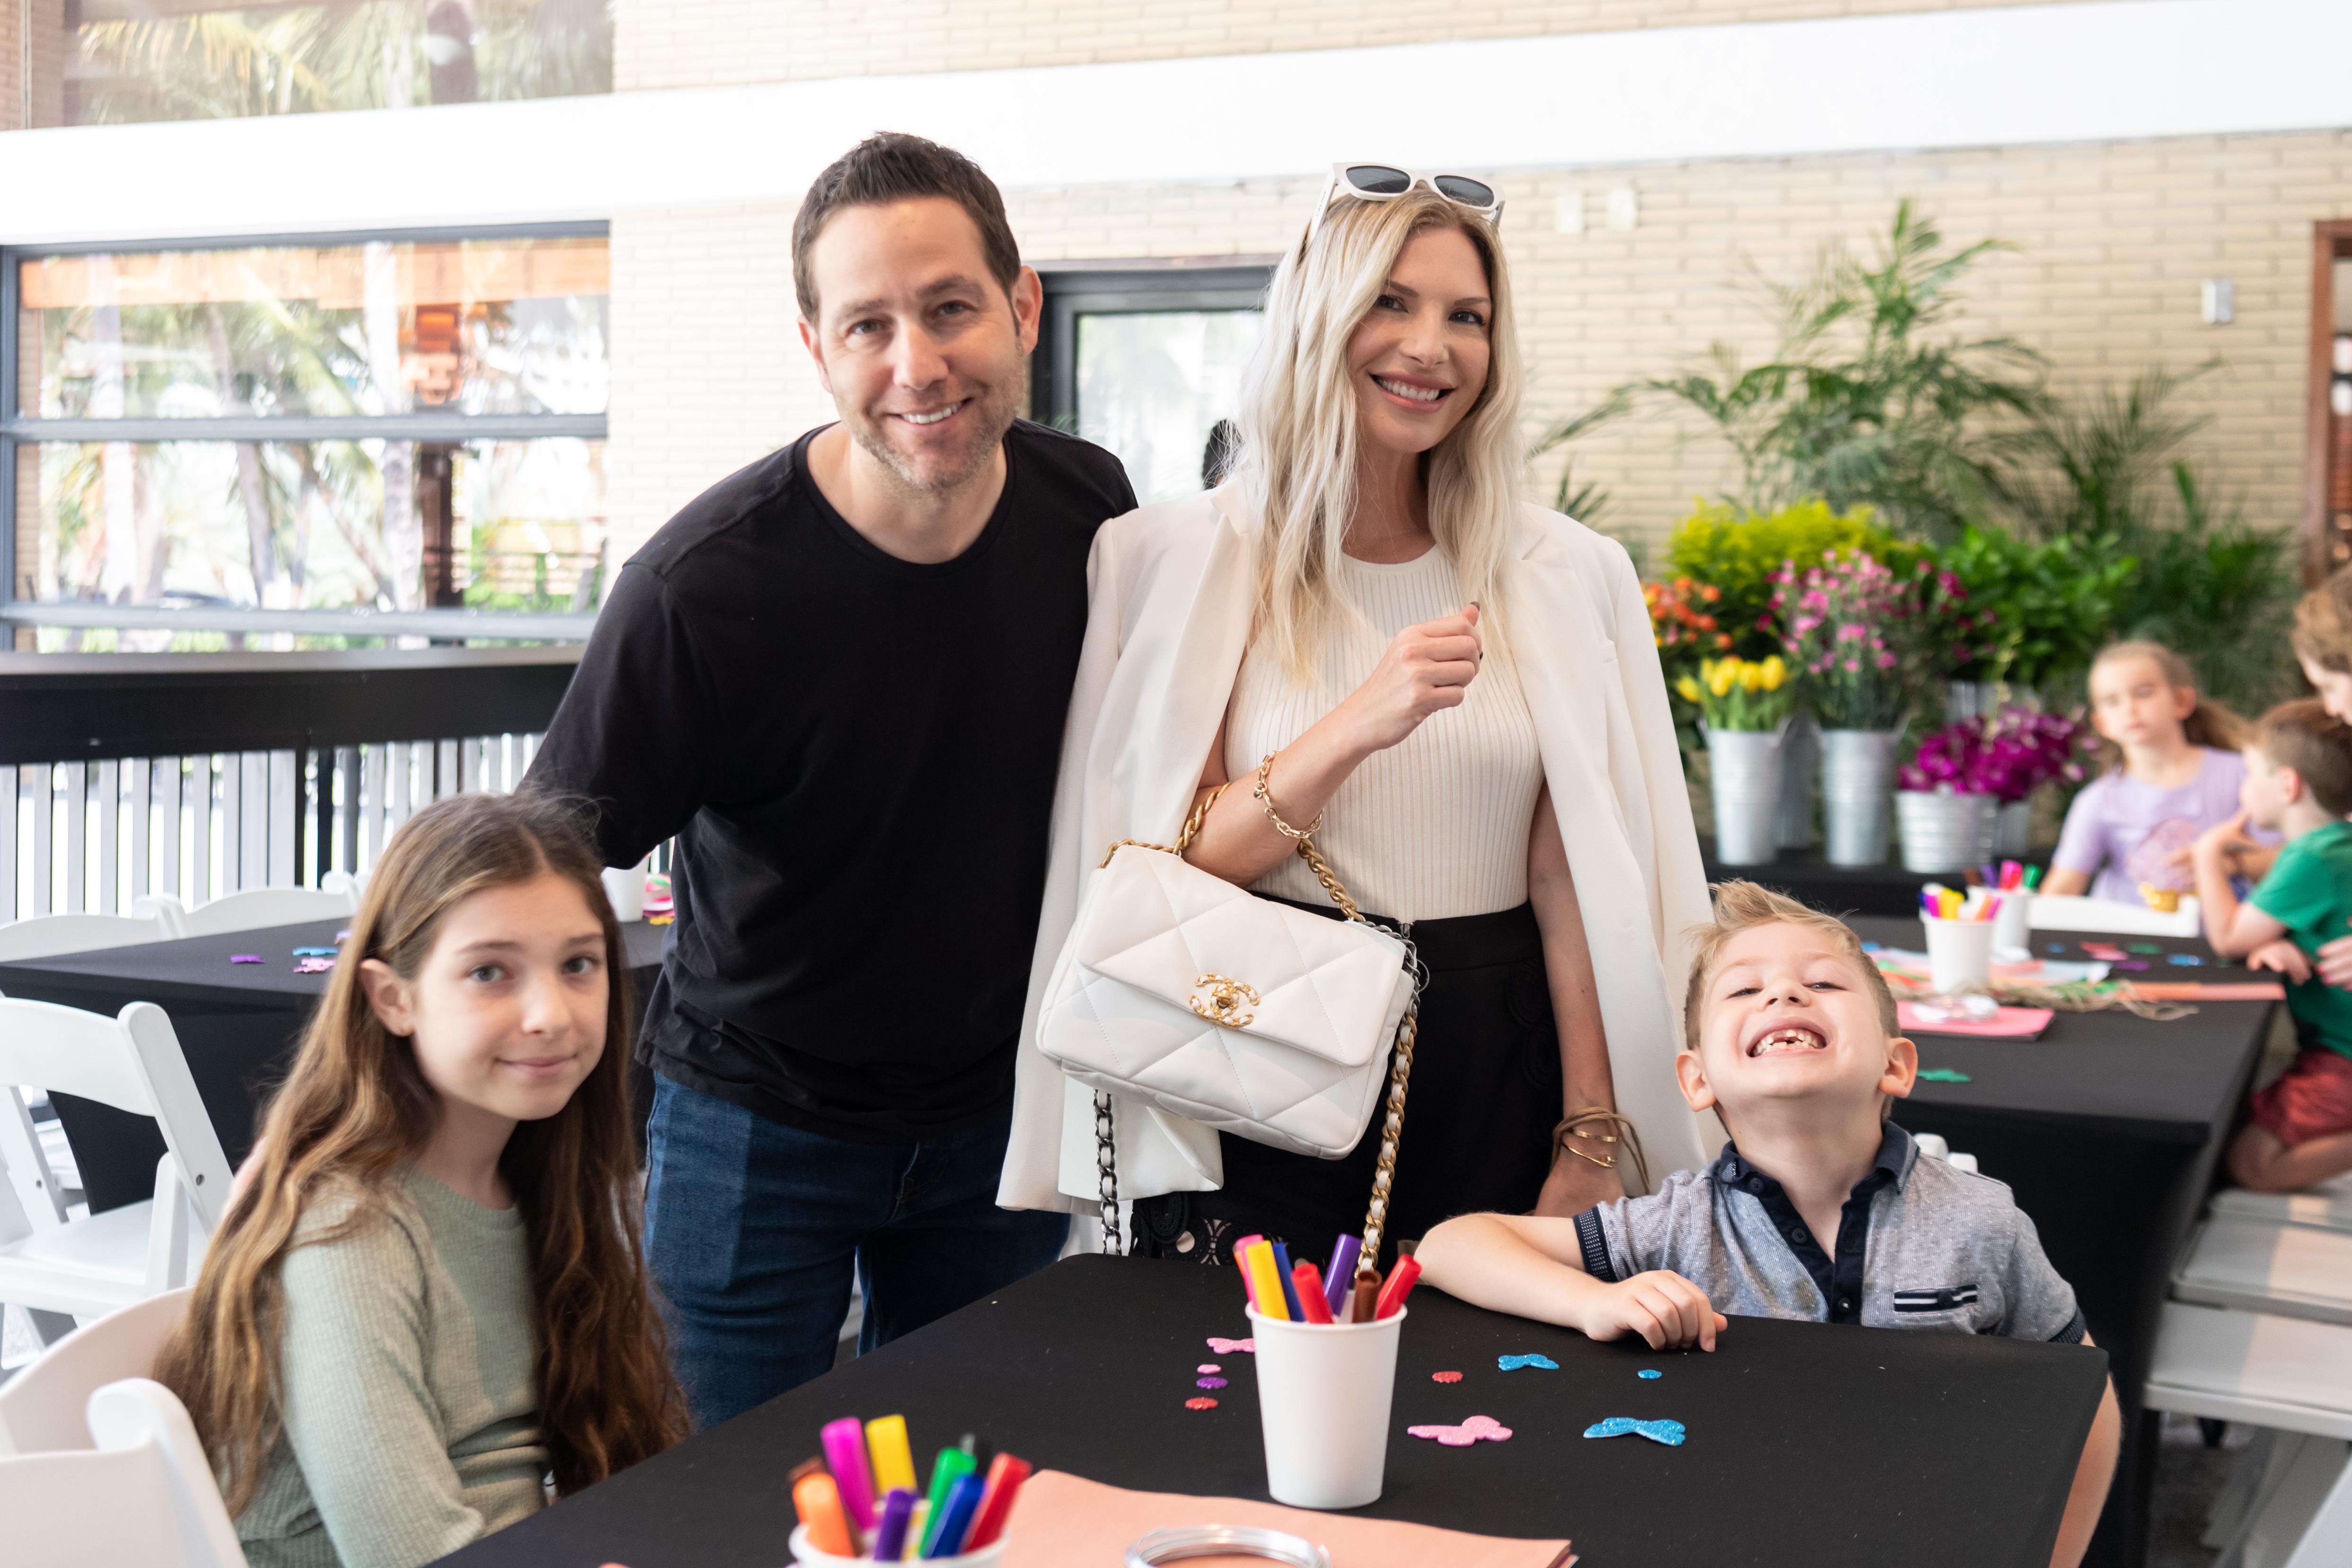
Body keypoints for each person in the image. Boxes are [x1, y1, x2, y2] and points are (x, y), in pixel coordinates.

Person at [999, 169, 1718, 1271]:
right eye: (1390, 301)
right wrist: (1356, 722)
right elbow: (1158, 862)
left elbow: (1575, 876)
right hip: (1252, 1035)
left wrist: (1589, 1128)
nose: (1429, 345)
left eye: (1464, 316)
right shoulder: (1169, 557)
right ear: (1316, 317)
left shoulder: (1562, 571)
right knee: (1240, 1412)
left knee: (1499, 1409)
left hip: (1498, 1053)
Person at [522, 133, 1132, 1425]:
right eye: (869, 326)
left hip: (1001, 1123)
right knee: (710, 1505)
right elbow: (539, 859)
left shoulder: (1096, 518)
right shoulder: (704, 590)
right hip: (757, 1128)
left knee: (971, 1503)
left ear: (1021, 306)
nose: (918, 364)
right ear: (817, 349)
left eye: (952, 309)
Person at [1416, 880, 2121, 1568]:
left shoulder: (1981, 1220)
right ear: (1697, 1080)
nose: (1785, 994)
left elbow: (2085, 1396)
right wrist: (1593, 1301)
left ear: (1897, 1064)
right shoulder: (1675, 1225)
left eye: (1826, 984)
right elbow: (1451, 1247)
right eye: (1745, 990)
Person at [155, 794, 684, 1568]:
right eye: (488, 972)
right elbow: (414, 1556)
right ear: (392, 998)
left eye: (578, 963)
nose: (549, 1013)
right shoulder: (349, 1230)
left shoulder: (536, 1178)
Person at [2191, 699, 2352, 1191]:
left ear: (2288, 785)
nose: (2243, 789)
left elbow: (2229, 937)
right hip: (2332, 1048)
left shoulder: (2310, 855)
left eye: (2250, 774)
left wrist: (2207, 856)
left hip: (2343, 1056)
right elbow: (2265, 933)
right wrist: (2275, 941)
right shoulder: (2335, 846)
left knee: (2249, 1164)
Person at [2044, 641, 2252, 905]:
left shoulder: (2240, 774)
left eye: (2143, 693)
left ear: (2182, 702)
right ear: (2101, 723)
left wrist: (2228, 865)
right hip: (2124, 941)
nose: (2129, 709)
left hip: (2223, 942)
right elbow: (2062, 887)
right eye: (2112, 701)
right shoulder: (2097, 800)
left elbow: (2287, 860)